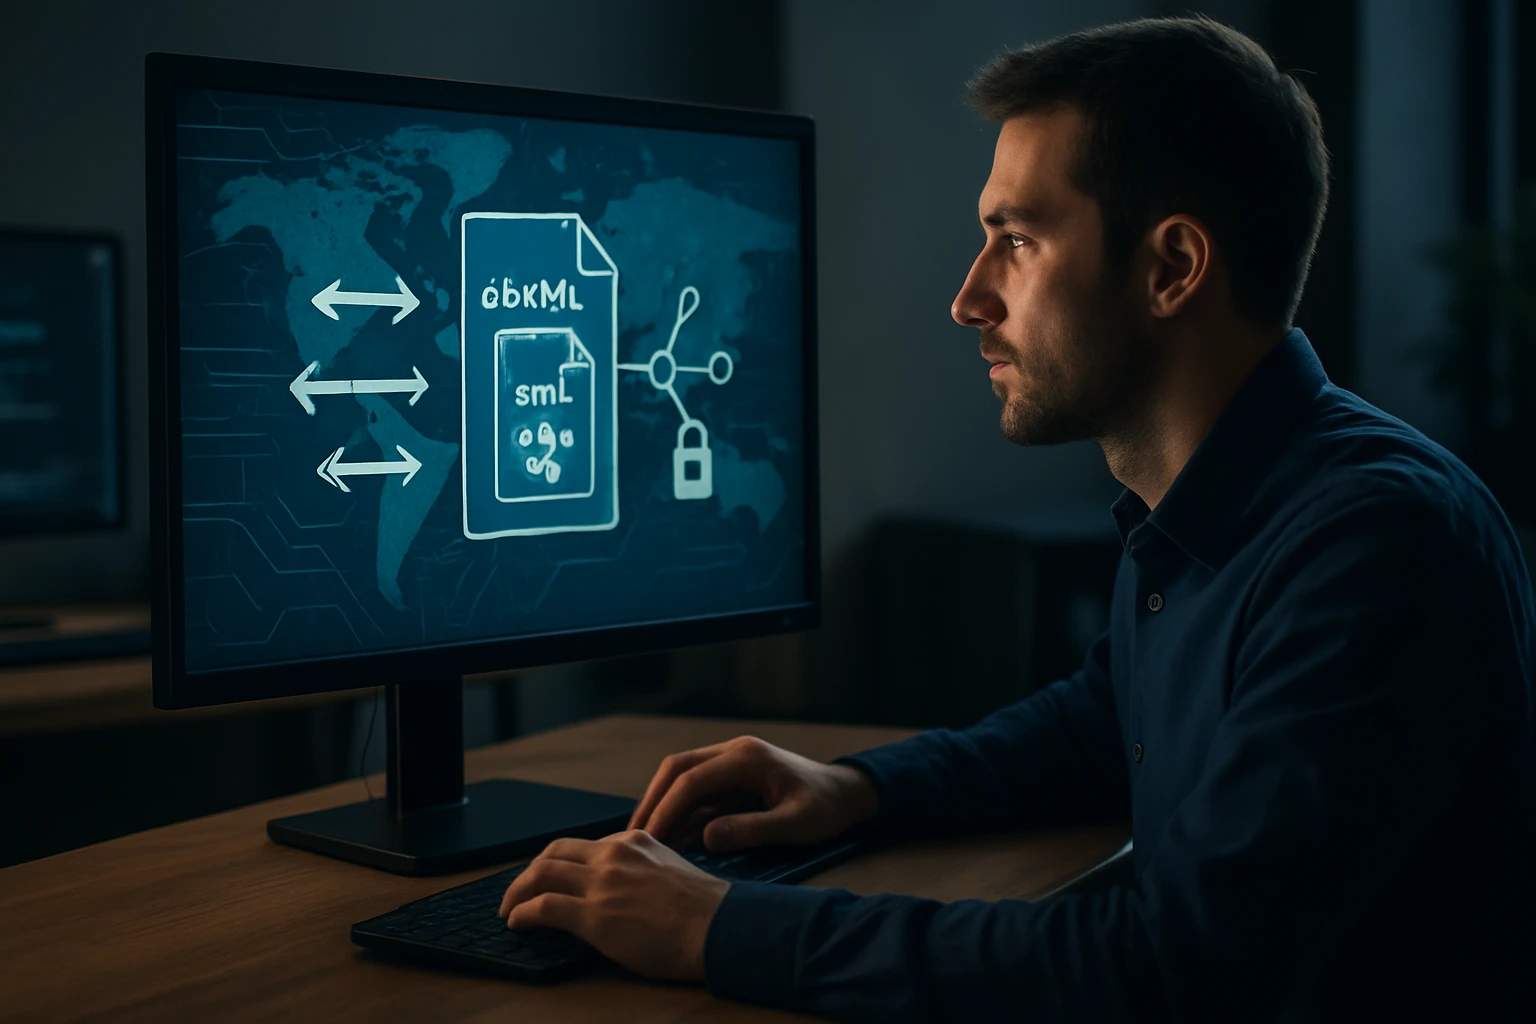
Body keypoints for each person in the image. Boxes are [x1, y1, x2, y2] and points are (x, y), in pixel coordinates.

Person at [497, 15, 1536, 1021]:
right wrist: (857, 785)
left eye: (1017, 240)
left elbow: (1171, 966)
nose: (968, 297)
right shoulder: (1214, 505)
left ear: (1172, 267)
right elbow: (1104, 722)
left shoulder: (1377, 547)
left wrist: (722, 926)